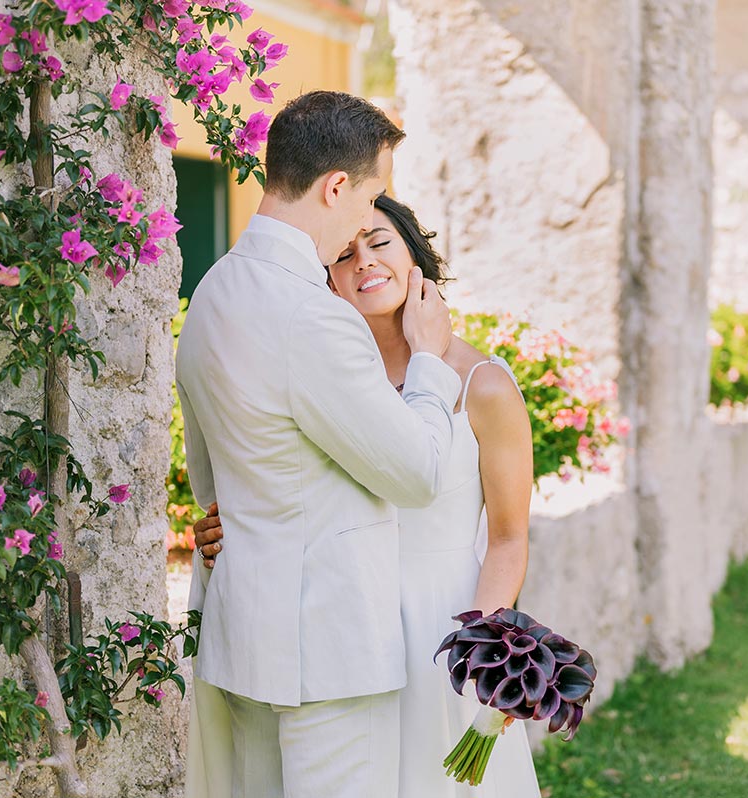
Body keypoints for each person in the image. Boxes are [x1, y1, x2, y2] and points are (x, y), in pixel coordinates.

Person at [193, 194, 543, 797]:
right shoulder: (326, 374)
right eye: (345, 252)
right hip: (342, 624)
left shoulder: (483, 384)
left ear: (415, 258)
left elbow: (509, 537)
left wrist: (482, 647)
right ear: (326, 274)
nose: (364, 263)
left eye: (380, 244)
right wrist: (223, 526)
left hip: (442, 628)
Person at [177, 91, 463, 798]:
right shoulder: (312, 315)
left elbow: (207, 475)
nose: (370, 218)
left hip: (243, 641)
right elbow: (419, 472)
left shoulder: (210, 294)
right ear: (337, 187)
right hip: (330, 654)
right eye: (372, 197)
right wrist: (427, 359)